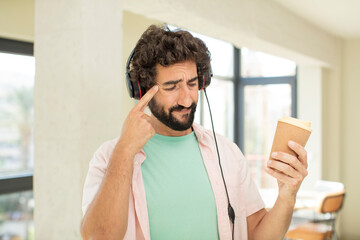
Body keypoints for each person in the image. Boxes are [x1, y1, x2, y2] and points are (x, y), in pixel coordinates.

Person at [80, 25, 308, 240]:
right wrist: (125, 150)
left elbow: (257, 234)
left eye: (192, 83)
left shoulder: (227, 153)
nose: (187, 98)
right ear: (142, 89)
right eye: (171, 86)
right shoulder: (110, 156)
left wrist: (287, 197)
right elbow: (98, 236)